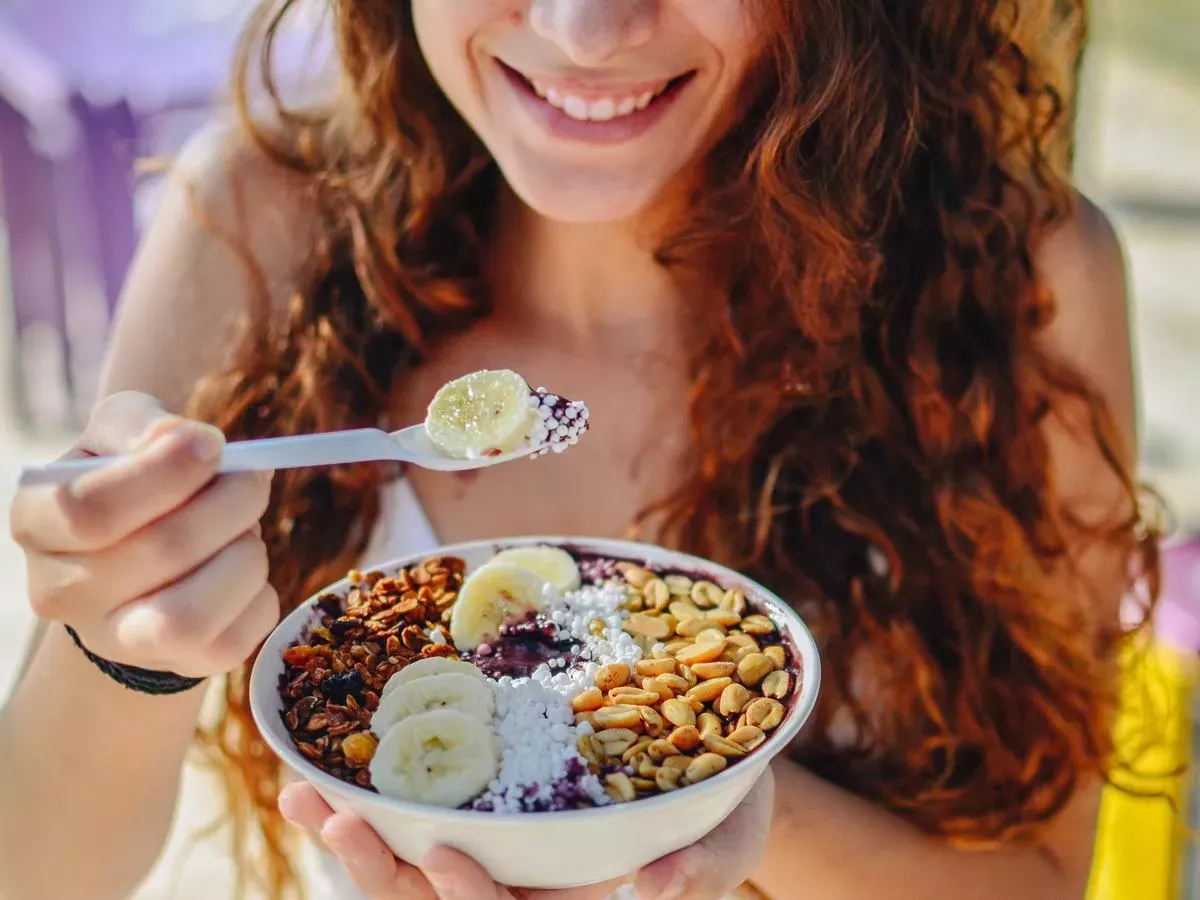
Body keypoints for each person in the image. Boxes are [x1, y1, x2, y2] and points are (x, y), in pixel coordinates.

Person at [0, 1, 1162, 898]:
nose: (584, 30)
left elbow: (1040, 880)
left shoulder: (1015, 286)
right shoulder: (265, 230)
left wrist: (693, 797)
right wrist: (122, 642)